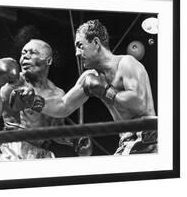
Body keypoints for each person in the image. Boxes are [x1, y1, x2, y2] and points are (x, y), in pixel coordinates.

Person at [42, 20, 157, 155]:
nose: (77, 53)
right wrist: (33, 101)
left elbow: (140, 104)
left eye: (80, 46)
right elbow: (62, 106)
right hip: (126, 141)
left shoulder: (126, 63)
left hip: (148, 137)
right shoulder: (89, 77)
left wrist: (106, 90)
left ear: (96, 43)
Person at [0, 39, 92, 161]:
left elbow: (54, 131)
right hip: (12, 148)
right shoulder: (12, 83)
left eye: (32, 53)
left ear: (48, 60)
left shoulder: (57, 94)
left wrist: (74, 140)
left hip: (41, 153)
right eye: (23, 53)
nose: (25, 57)